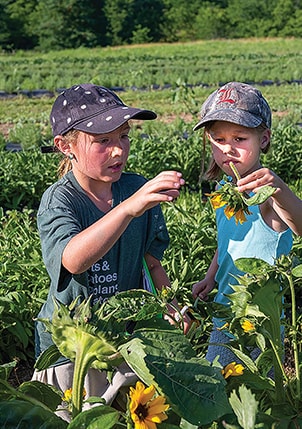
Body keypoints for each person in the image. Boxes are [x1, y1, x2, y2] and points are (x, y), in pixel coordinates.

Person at [32, 83, 190, 420]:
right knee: (72, 418)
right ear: (65, 146)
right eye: (103, 141)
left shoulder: (133, 188)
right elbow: (73, 259)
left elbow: (150, 260)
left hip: (122, 341)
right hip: (71, 348)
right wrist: (127, 210)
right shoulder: (61, 200)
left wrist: (171, 304)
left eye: (124, 137)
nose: (118, 150)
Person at [192, 81, 302, 367]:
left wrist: (279, 189)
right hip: (225, 313)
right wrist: (211, 276)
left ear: (263, 139)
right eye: (219, 139)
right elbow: (227, 241)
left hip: (259, 319)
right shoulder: (224, 188)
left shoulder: (268, 191)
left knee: (259, 390)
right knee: (220, 386)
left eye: (239, 139)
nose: (228, 149)